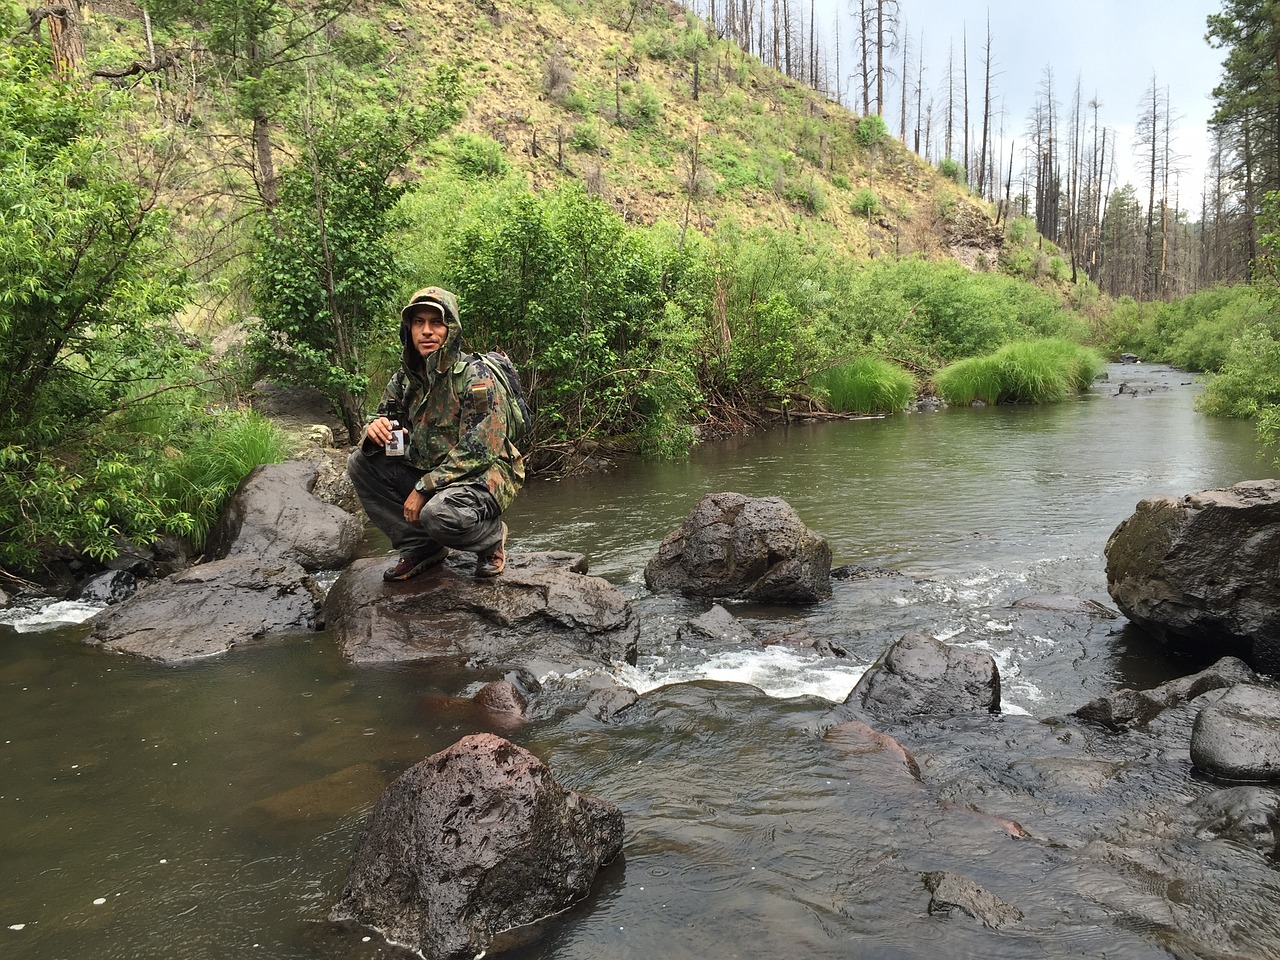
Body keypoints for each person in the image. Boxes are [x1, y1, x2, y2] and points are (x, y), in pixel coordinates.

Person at [347, 286, 524, 581]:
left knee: (437, 514)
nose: (427, 331)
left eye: (436, 322)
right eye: (419, 322)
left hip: (485, 475)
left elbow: (481, 447)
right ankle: (421, 548)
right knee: (360, 462)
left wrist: (424, 488)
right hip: (429, 471)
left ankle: (491, 538)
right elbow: (383, 420)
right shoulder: (404, 379)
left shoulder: (475, 376)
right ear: (410, 329)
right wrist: (373, 430)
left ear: (450, 329)